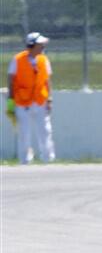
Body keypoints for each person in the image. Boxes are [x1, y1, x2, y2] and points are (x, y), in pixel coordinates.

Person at [7, 32, 56, 164]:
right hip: (23, 101)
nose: (42, 47)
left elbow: (47, 80)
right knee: (24, 133)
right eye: (39, 45)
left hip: (40, 100)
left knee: (45, 131)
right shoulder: (17, 59)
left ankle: (48, 159)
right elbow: (11, 80)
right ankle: (25, 160)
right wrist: (10, 101)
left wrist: (49, 99)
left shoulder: (44, 60)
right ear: (31, 45)